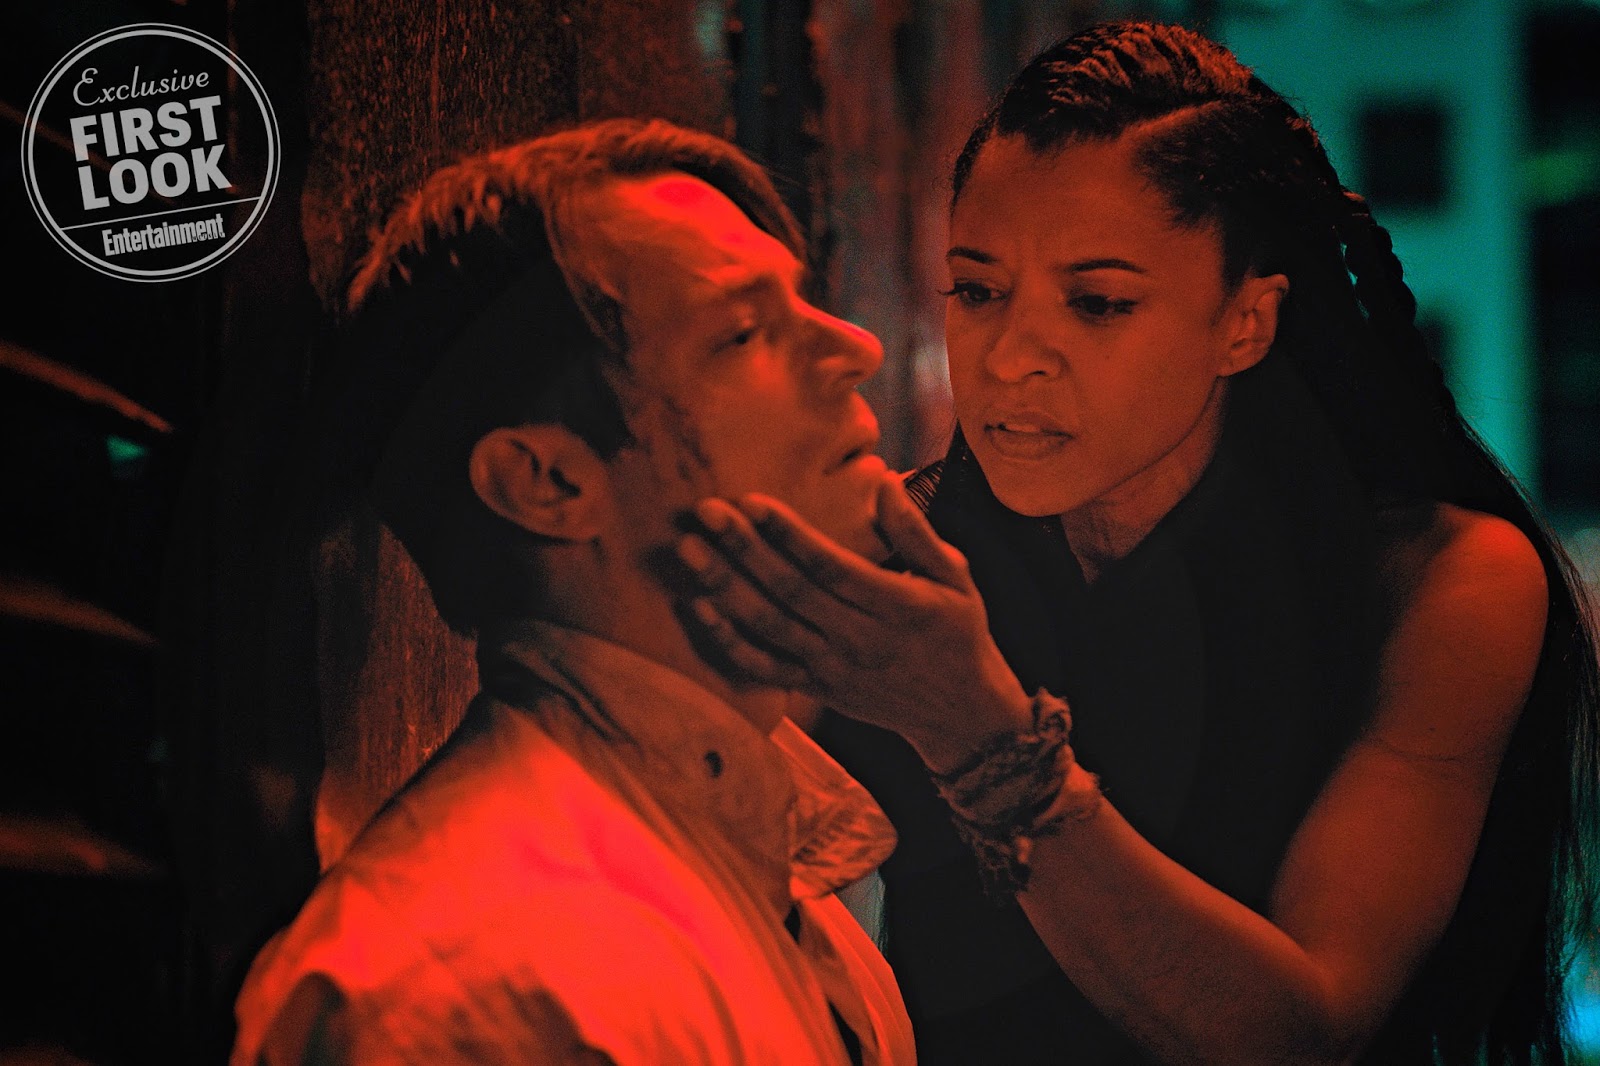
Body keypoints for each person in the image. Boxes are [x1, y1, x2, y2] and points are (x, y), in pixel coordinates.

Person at [673, 21, 1600, 1066]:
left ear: (1244, 323)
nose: (1010, 358)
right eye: (977, 290)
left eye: (1098, 303)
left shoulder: (1438, 581)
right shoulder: (889, 558)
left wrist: (979, 736)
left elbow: (1303, 1031)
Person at [227, 118, 916, 1064]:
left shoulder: (800, 890)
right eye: (742, 331)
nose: (857, 349)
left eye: (805, 301)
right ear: (547, 482)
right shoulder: (463, 993)